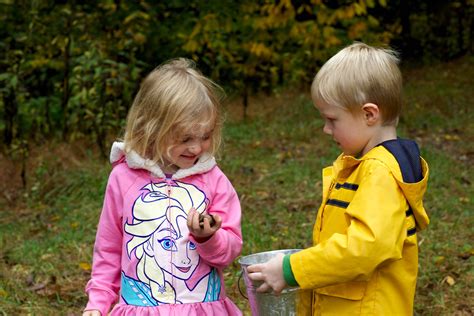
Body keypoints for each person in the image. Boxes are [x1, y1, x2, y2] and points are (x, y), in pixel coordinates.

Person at [247, 42, 430, 315]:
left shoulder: (379, 172)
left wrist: (292, 269)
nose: (326, 128)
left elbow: (364, 248)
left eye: (332, 119)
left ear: (369, 114)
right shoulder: (362, 167)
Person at [83, 58, 243, 316]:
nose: (196, 147)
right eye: (185, 138)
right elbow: (109, 248)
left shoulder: (213, 179)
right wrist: (98, 303)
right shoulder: (123, 178)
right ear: (152, 128)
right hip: (141, 308)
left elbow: (230, 249)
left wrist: (208, 238)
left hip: (202, 309)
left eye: (205, 136)